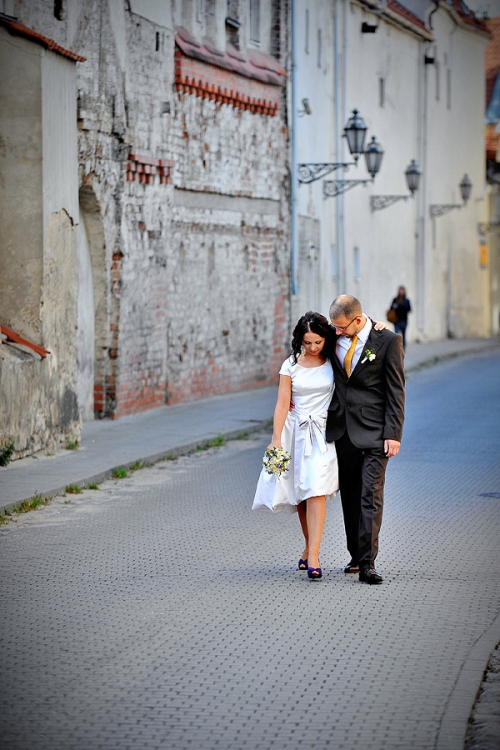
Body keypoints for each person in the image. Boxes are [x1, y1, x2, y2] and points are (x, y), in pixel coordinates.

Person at [252, 311, 338, 580]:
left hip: (323, 435)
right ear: (299, 340)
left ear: (326, 339)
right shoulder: (289, 365)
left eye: (317, 342)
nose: (313, 348)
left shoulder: (333, 361)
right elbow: (281, 404)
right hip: (295, 434)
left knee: (316, 490)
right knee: (301, 493)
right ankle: (308, 546)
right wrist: (276, 439)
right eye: (307, 342)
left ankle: (314, 555)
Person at [327, 295, 405, 585]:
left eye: (342, 327)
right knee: (350, 495)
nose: (337, 332)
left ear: (358, 320)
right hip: (343, 430)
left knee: (370, 495)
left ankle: (368, 563)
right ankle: (355, 555)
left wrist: (393, 433)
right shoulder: (334, 334)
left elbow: (396, 391)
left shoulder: (388, 341)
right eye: (334, 327)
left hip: (375, 431)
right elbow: (307, 340)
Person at [390, 286, 412, 350]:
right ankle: (397, 349)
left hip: (404, 320)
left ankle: (403, 350)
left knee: (403, 336)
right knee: (396, 336)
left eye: (402, 290)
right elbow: (391, 307)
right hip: (396, 321)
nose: (401, 292)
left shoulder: (407, 300)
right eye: (400, 290)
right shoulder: (395, 299)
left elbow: (409, 309)